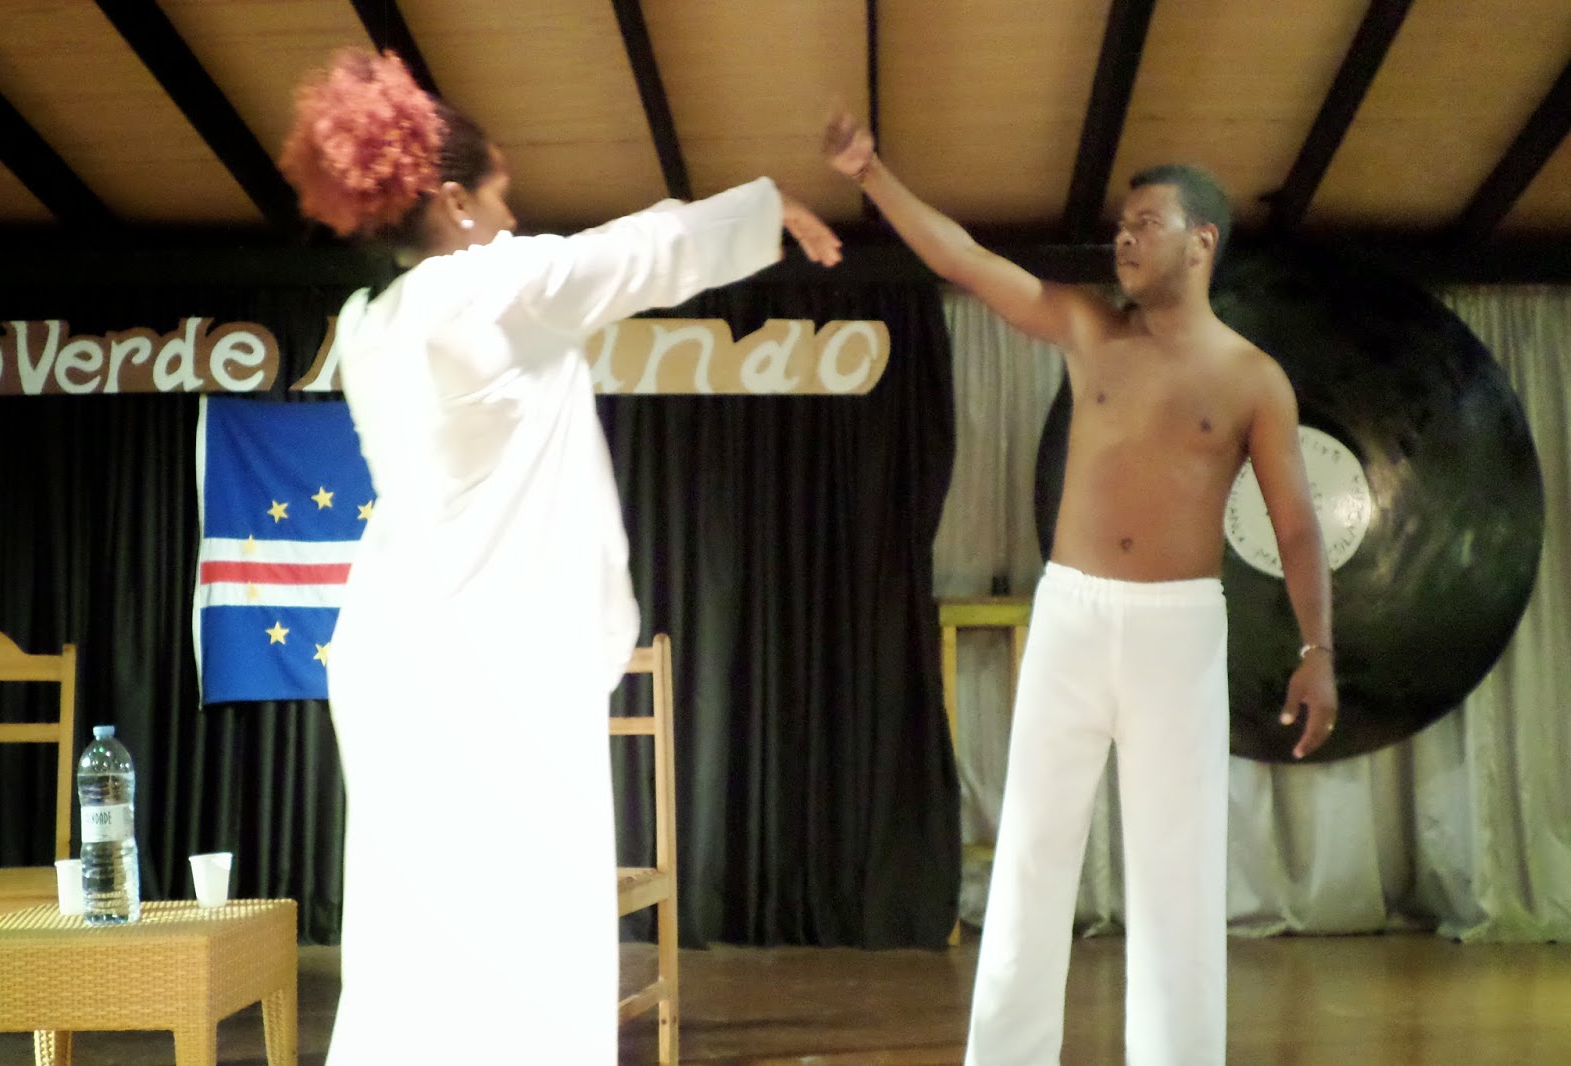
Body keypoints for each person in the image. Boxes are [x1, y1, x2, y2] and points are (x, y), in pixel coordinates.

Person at [278, 49, 842, 1064]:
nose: (513, 218)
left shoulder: (368, 326)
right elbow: (636, 254)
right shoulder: (486, 287)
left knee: (415, 938)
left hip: (398, 655)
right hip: (490, 660)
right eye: (500, 195)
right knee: (533, 925)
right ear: (453, 202)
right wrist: (768, 208)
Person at [823, 110, 1338, 1065]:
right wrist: (872, 175)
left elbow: (1299, 525)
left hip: (1178, 633)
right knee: (1031, 854)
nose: (1125, 239)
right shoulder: (1088, 328)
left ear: (1203, 240)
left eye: (1147, 222)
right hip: (1072, 616)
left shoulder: (1253, 378)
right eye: (1122, 226)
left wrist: (1319, 649)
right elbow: (967, 260)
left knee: (1178, 873)